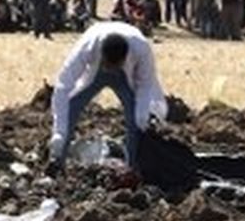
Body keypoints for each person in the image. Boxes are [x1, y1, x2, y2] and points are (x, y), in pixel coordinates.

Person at [47, 21, 167, 171]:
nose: (111, 70)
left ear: (124, 59)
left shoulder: (141, 49)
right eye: (108, 65)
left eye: (114, 66)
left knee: (134, 120)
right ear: (102, 55)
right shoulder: (87, 47)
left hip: (124, 77)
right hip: (96, 73)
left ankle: (133, 167)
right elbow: (63, 87)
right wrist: (59, 131)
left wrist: (142, 117)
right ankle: (58, 160)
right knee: (72, 106)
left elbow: (145, 85)